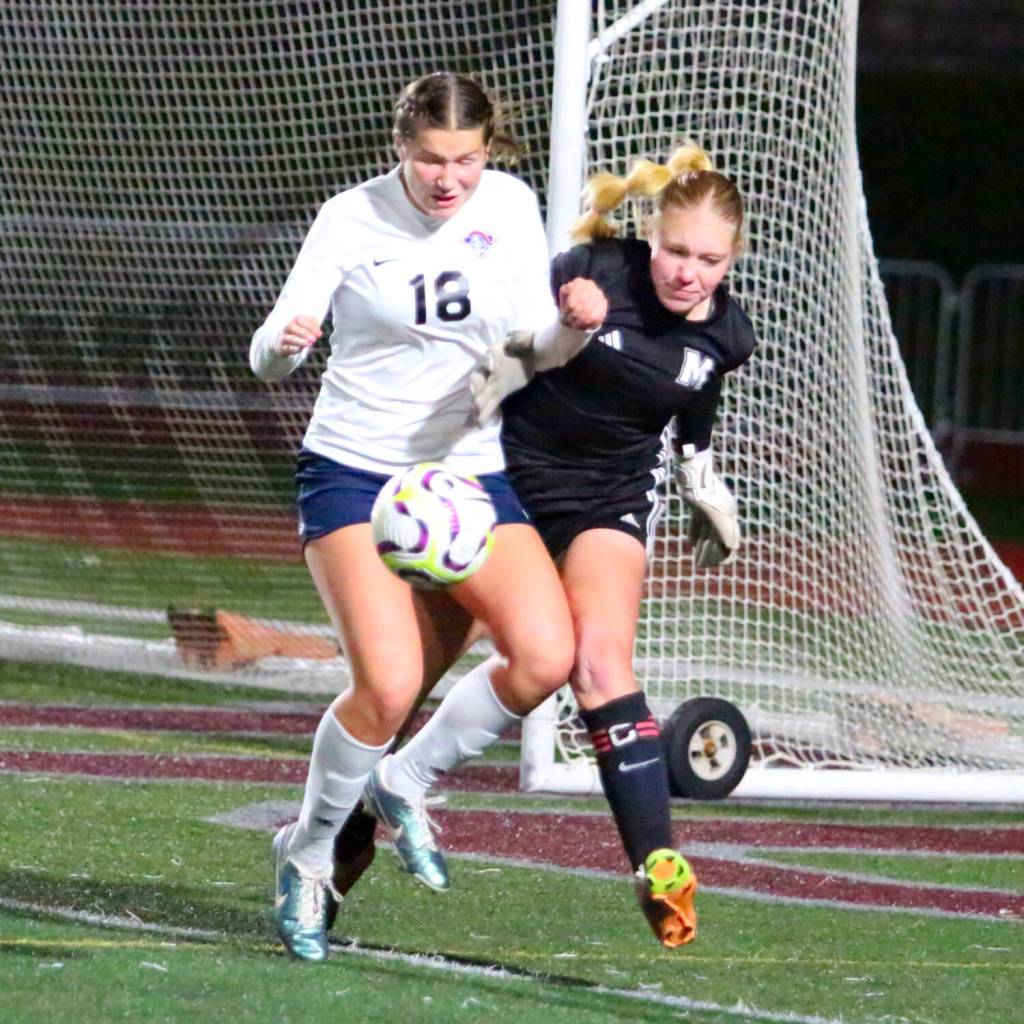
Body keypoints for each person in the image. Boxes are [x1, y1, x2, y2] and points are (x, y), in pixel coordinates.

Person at [249, 71, 609, 962]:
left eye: (468, 160)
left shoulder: (514, 207)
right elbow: (266, 356)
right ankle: (307, 853)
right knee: (390, 684)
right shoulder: (349, 217)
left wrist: (574, 327)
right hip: (355, 472)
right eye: (430, 160)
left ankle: (401, 784)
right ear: (398, 149)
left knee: (546, 655)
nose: (449, 179)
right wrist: (285, 344)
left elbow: (534, 351)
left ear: (491, 152)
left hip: (467, 476)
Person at [361, 142, 755, 949]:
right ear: (650, 235)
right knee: (407, 678)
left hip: (608, 493)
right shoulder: (592, 269)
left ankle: (659, 866)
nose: (689, 272)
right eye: (676, 251)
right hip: (504, 476)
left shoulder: (730, 335)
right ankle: (328, 845)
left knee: (598, 662)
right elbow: (504, 346)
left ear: (731, 259)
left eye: (709, 259)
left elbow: (694, 399)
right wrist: (554, 324)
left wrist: (701, 478)